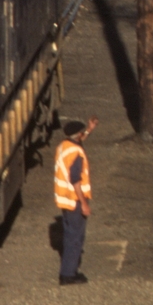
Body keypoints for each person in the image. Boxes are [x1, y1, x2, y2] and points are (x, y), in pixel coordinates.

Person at [54, 117, 98, 285]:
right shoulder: (76, 153)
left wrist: (89, 129)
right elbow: (76, 180)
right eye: (82, 133)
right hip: (74, 200)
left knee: (69, 235)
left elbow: (79, 140)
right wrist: (84, 204)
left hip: (64, 200)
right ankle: (68, 275)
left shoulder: (63, 146)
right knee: (75, 237)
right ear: (78, 135)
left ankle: (68, 270)